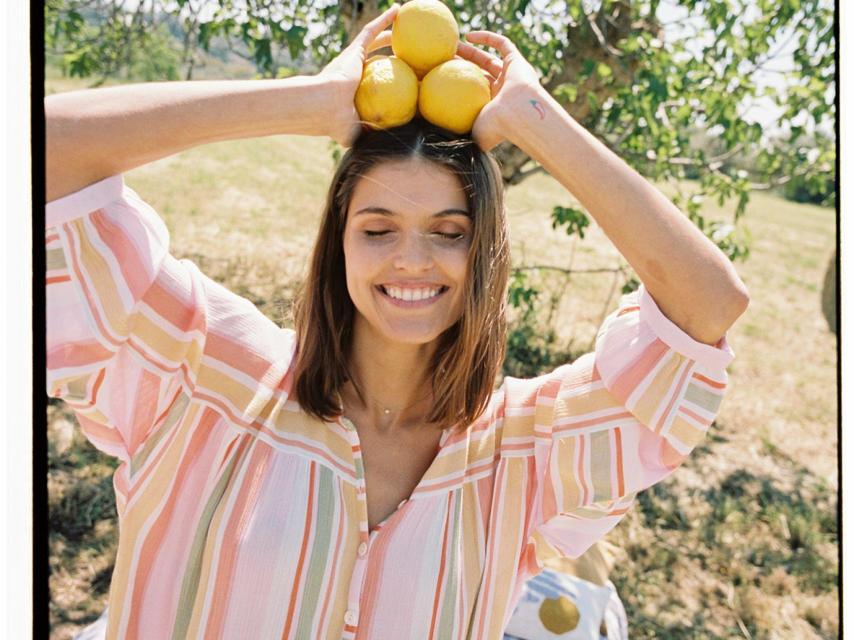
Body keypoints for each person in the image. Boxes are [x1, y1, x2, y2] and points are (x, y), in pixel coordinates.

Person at [46, 4, 749, 639]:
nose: (412, 261)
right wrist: (308, 102)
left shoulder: (523, 449)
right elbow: (39, 153)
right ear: (338, 244)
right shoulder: (204, 371)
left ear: (484, 255)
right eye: (378, 230)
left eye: (448, 232)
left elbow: (707, 306)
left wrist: (533, 116)